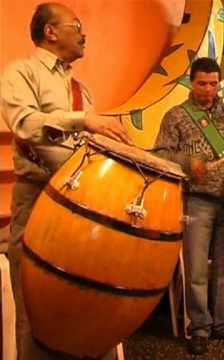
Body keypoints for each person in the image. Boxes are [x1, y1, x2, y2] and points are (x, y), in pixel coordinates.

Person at [0, 3, 130, 359]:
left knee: (83, 309)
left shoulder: (79, 89)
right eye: (76, 25)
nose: (83, 32)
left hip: (80, 208)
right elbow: (25, 123)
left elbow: (84, 144)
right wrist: (83, 121)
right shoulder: (20, 73)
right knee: (36, 317)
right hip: (38, 200)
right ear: (50, 32)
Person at [154, 57, 224, 355]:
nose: (208, 89)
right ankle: (199, 329)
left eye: (214, 83)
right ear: (191, 83)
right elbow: (162, 153)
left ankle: (223, 325)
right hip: (196, 199)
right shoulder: (176, 116)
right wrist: (187, 163)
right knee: (195, 268)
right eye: (202, 83)